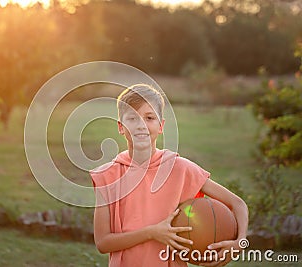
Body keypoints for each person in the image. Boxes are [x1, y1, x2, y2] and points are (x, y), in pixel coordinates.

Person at [89, 84, 248, 267]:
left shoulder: (180, 169)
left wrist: (240, 242)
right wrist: (152, 233)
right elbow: (103, 243)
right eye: (132, 118)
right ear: (121, 127)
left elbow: (238, 204)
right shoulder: (107, 177)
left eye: (149, 118)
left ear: (161, 125)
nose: (141, 125)